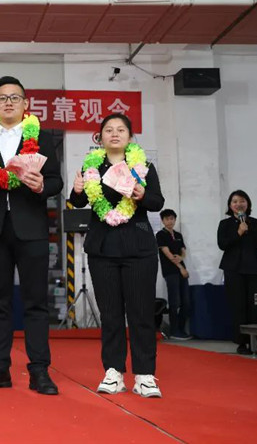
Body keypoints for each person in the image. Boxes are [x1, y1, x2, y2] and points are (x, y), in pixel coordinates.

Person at [0, 76, 64, 395]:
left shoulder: (41, 137)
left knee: (36, 301)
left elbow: (56, 180)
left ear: (26, 104)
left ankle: (39, 370)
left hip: (31, 228)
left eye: (14, 98)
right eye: (2, 98)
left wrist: (42, 186)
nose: (8, 103)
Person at [70, 113, 165, 398]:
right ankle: (113, 372)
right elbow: (78, 201)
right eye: (108, 130)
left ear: (130, 136)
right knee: (110, 314)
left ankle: (145, 374)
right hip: (103, 248)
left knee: (141, 313)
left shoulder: (143, 166)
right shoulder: (91, 166)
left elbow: (157, 202)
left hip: (138, 248)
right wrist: (76, 191)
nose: (114, 134)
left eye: (121, 130)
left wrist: (141, 195)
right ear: (99, 137)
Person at [218, 190, 257, 355]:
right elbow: (222, 244)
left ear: (247, 204)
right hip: (234, 270)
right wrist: (239, 232)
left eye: (242, 201)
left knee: (255, 308)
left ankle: (255, 343)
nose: (238, 204)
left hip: (255, 269)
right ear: (230, 205)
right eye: (235, 201)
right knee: (238, 307)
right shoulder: (225, 224)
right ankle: (242, 343)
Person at [156, 209, 191, 340]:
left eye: (172, 219)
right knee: (174, 302)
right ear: (162, 221)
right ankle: (174, 330)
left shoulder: (178, 235)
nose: (170, 221)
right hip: (171, 272)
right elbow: (168, 255)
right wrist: (181, 267)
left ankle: (181, 329)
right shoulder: (160, 235)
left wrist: (182, 257)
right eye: (167, 219)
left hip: (182, 271)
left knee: (186, 302)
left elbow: (183, 251)